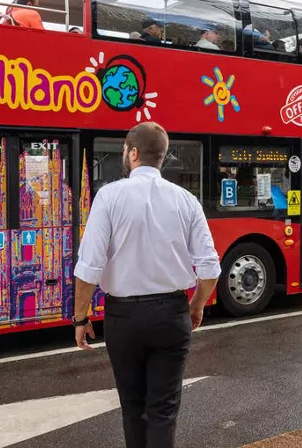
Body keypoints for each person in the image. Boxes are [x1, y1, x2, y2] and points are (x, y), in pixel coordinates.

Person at [72, 122, 221, 448]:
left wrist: (80, 318)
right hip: (172, 314)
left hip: (123, 319)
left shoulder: (109, 197)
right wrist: (195, 306)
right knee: (163, 412)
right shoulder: (186, 201)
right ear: (162, 158)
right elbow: (210, 267)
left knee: (133, 408)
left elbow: (89, 268)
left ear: (133, 153)